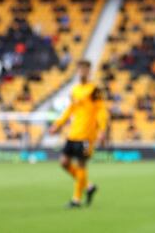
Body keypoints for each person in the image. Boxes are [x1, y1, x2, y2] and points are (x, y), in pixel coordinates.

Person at [48, 60, 108, 209]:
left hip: (87, 135)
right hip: (73, 133)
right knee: (64, 162)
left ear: (89, 71)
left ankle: (76, 199)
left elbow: (101, 111)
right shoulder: (74, 90)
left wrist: (102, 130)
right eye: (80, 69)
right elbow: (70, 110)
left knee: (81, 165)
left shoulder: (94, 90)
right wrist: (58, 123)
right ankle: (88, 186)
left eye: (84, 69)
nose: (82, 72)